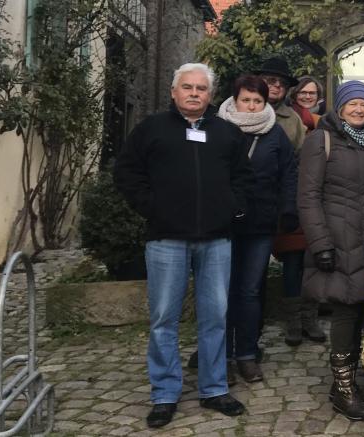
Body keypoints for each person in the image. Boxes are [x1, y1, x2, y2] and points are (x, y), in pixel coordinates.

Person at [114, 62, 252, 428]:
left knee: (215, 317)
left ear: (210, 95)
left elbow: (243, 177)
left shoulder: (227, 133)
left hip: (216, 239)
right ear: (174, 92)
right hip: (166, 239)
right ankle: (164, 393)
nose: (194, 93)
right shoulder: (151, 129)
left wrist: (233, 207)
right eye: (187, 87)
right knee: (164, 319)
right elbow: (126, 172)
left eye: (201, 88)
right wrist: (152, 207)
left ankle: (214, 388)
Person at [299, 80, 364, 422]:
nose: (359, 109)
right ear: (339, 108)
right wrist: (320, 243)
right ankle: (343, 388)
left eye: (363, 104)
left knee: (361, 310)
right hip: (336, 240)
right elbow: (308, 196)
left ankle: (346, 383)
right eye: (352, 103)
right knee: (344, 312)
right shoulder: (320, 140)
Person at [215, 75, 298, 383]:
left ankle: (247, 354)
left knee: (250, 291)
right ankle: (221, 355)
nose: (251, 106)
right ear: (234, 101)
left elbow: (289, 173)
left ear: (266, 103)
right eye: (245, 100)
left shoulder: (275, 134)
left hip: (260, 224)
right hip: (221, 223)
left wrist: (288, 209)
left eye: (257, 101)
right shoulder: (218, 129)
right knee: (222, 292)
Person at [275, 77, 328, 348]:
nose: (308, 96)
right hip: (292, 199)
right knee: (293, 262)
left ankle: (311, 318)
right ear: (295, 94)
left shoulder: (323, 122)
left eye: (313, 93)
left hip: (318, 198)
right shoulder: (286, 119)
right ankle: (294, 322)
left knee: (313, 261)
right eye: (304, 92)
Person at [254, 58, 306, 148]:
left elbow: (300, 152)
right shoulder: (242, 108)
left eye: (283, 83)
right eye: (271, 80)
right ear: (260, 82)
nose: (278, 85)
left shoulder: (293, 119)